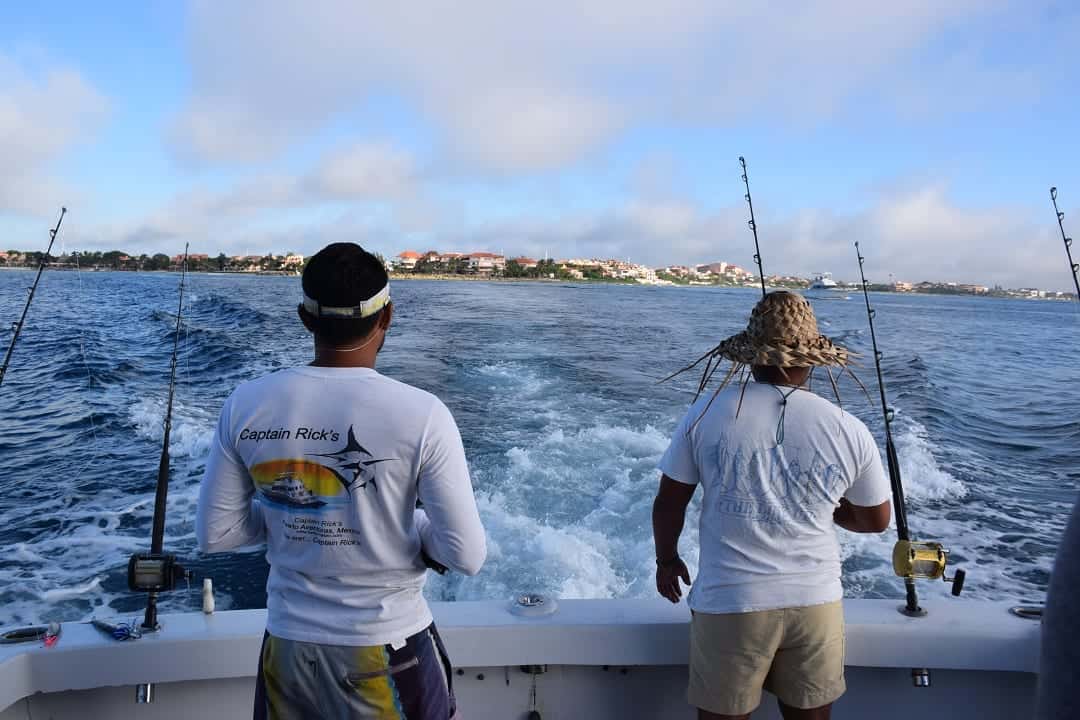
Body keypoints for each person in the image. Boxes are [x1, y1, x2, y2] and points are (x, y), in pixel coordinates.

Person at [196, 242, 485, 720]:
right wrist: (408, 525)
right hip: (388, 650)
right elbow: (466, 555)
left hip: (287, 650)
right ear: (386, 316)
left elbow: (216, 533)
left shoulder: (246, 404)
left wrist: (287, 508)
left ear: (305, 319)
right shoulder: (423, 414)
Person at [652, 291, 892, 720]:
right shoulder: (848, 428)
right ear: (812, 360)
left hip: (731, 600)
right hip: (815, 601)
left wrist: (667, 561)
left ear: (751, 357)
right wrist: (834, 510)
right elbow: (876, 520)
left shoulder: (705, 412)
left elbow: (670, 502)